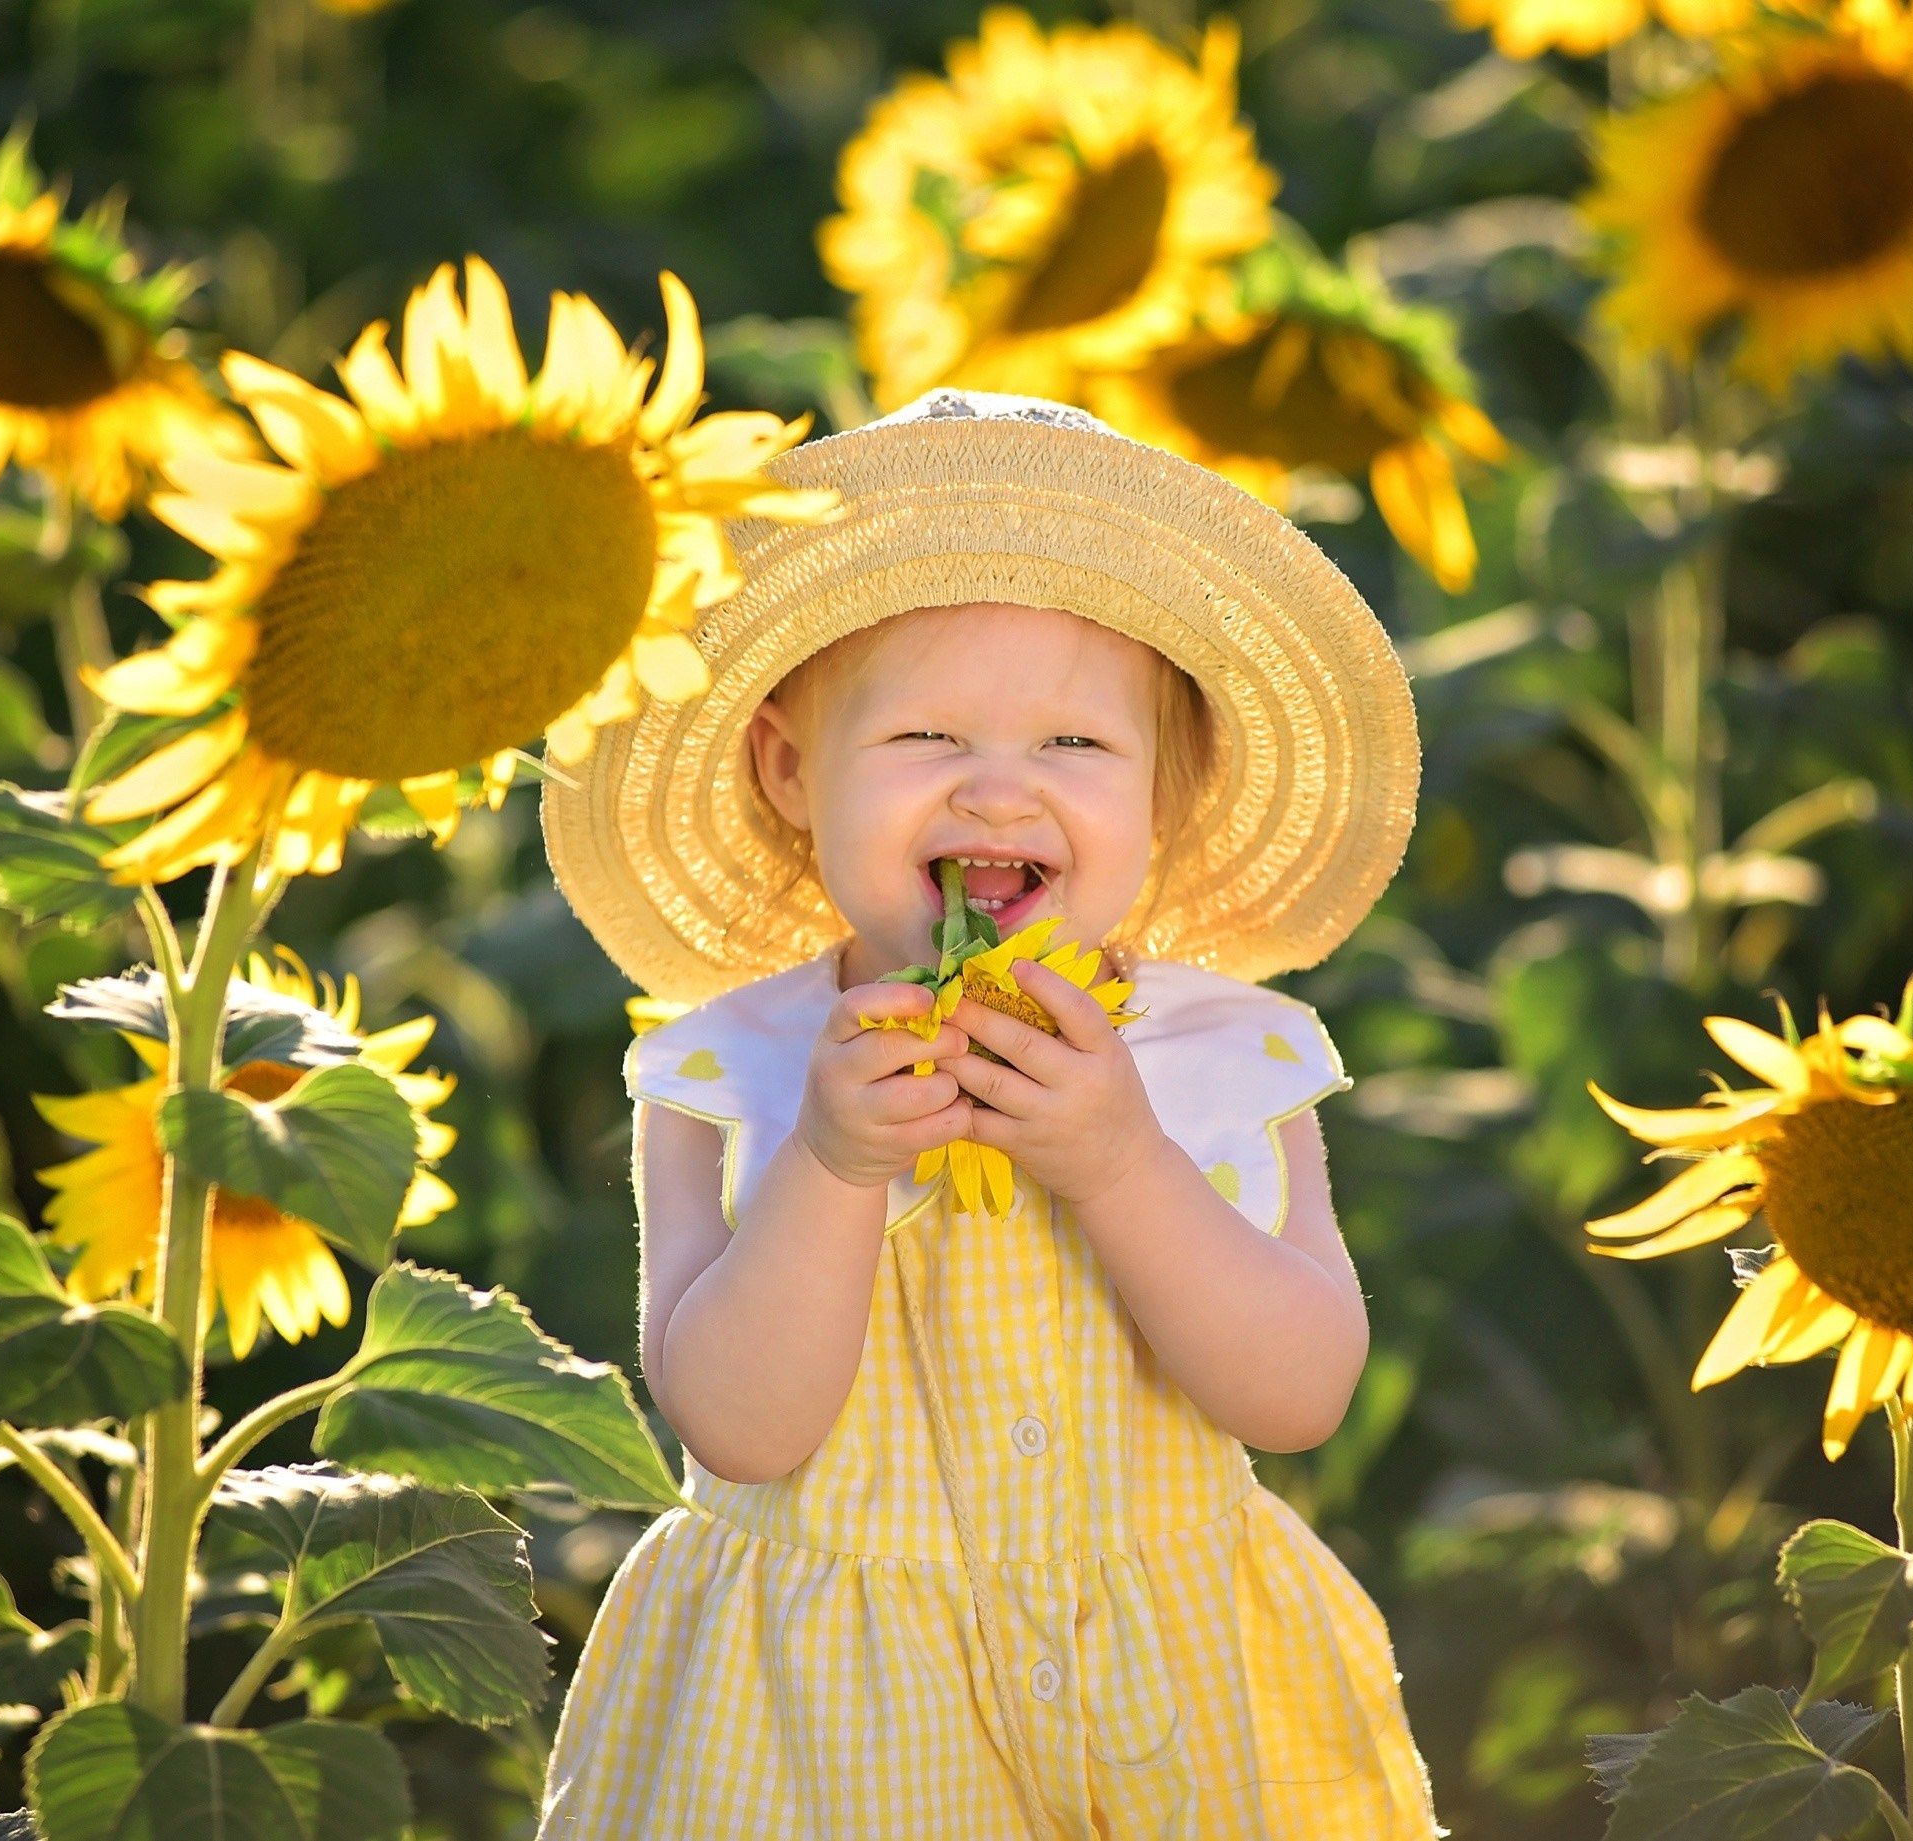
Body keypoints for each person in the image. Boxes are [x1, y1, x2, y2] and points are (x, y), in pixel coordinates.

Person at [536, 390, 1437, 1839]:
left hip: (1172, 1688)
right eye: (927, 733)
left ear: (1169, 788)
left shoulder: (1222, 1057)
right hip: (823, 1724)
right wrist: (832, 1164)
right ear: (787, 770)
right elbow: (736, 1426)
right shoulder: (731, 1072)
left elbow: (1300, 1391)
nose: (1000, 786)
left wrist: (1123, 1161)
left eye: (1079, 744)